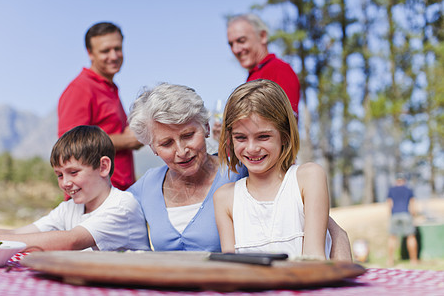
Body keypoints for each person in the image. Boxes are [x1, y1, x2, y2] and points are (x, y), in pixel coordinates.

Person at [127, 82, 351, 261]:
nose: (181, 151)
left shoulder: (244, 171)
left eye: (187, 135)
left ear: (206, 127)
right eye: (166, 143)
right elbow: (107, 215)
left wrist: (339, 252)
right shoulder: (147, 187)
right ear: (152, 147)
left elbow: (301, 216)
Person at [214, 79, 331, 259]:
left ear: (284, 136)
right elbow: (231, 269)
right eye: (241, 138)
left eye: (263, 136)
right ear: (229, 139)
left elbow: (315, 259)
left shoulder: (308, 178)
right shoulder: (225, 198)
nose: (252, 148)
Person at [0, 125, 149, 251]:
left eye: (73, 172)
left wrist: (4, 242)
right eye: (59, 175)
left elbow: (71, 240)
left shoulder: (122, 206)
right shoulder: (69, 208)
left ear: (103, 167)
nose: (65, 183)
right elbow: (17, 233)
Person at [58, 22, 142, 193]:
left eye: (117, 48)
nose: (114, 55)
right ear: (90, 53)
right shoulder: (80, 89)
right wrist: (128, 141)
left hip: (118, 194)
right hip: (95, 198)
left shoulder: (110, 89)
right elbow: (69, 146)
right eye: (105, 51)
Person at [227, 14, 301, 119]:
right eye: (231, 44)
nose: (235, 49)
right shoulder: (255, 75)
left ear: (262, 36)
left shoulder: (279, 70)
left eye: (241, 41)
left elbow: (287, 123)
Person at [387, 173, 418, 266]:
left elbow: (389, 204)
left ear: (396, 180)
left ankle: (390, 260)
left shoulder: (391, 190)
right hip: (406, 214)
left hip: (394, 214)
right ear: (404, 180)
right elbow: (412, 204)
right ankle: (414, 260)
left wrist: (390, 215)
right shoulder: (408, 190)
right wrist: (413, 215)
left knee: (392, 237)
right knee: (411, 237)